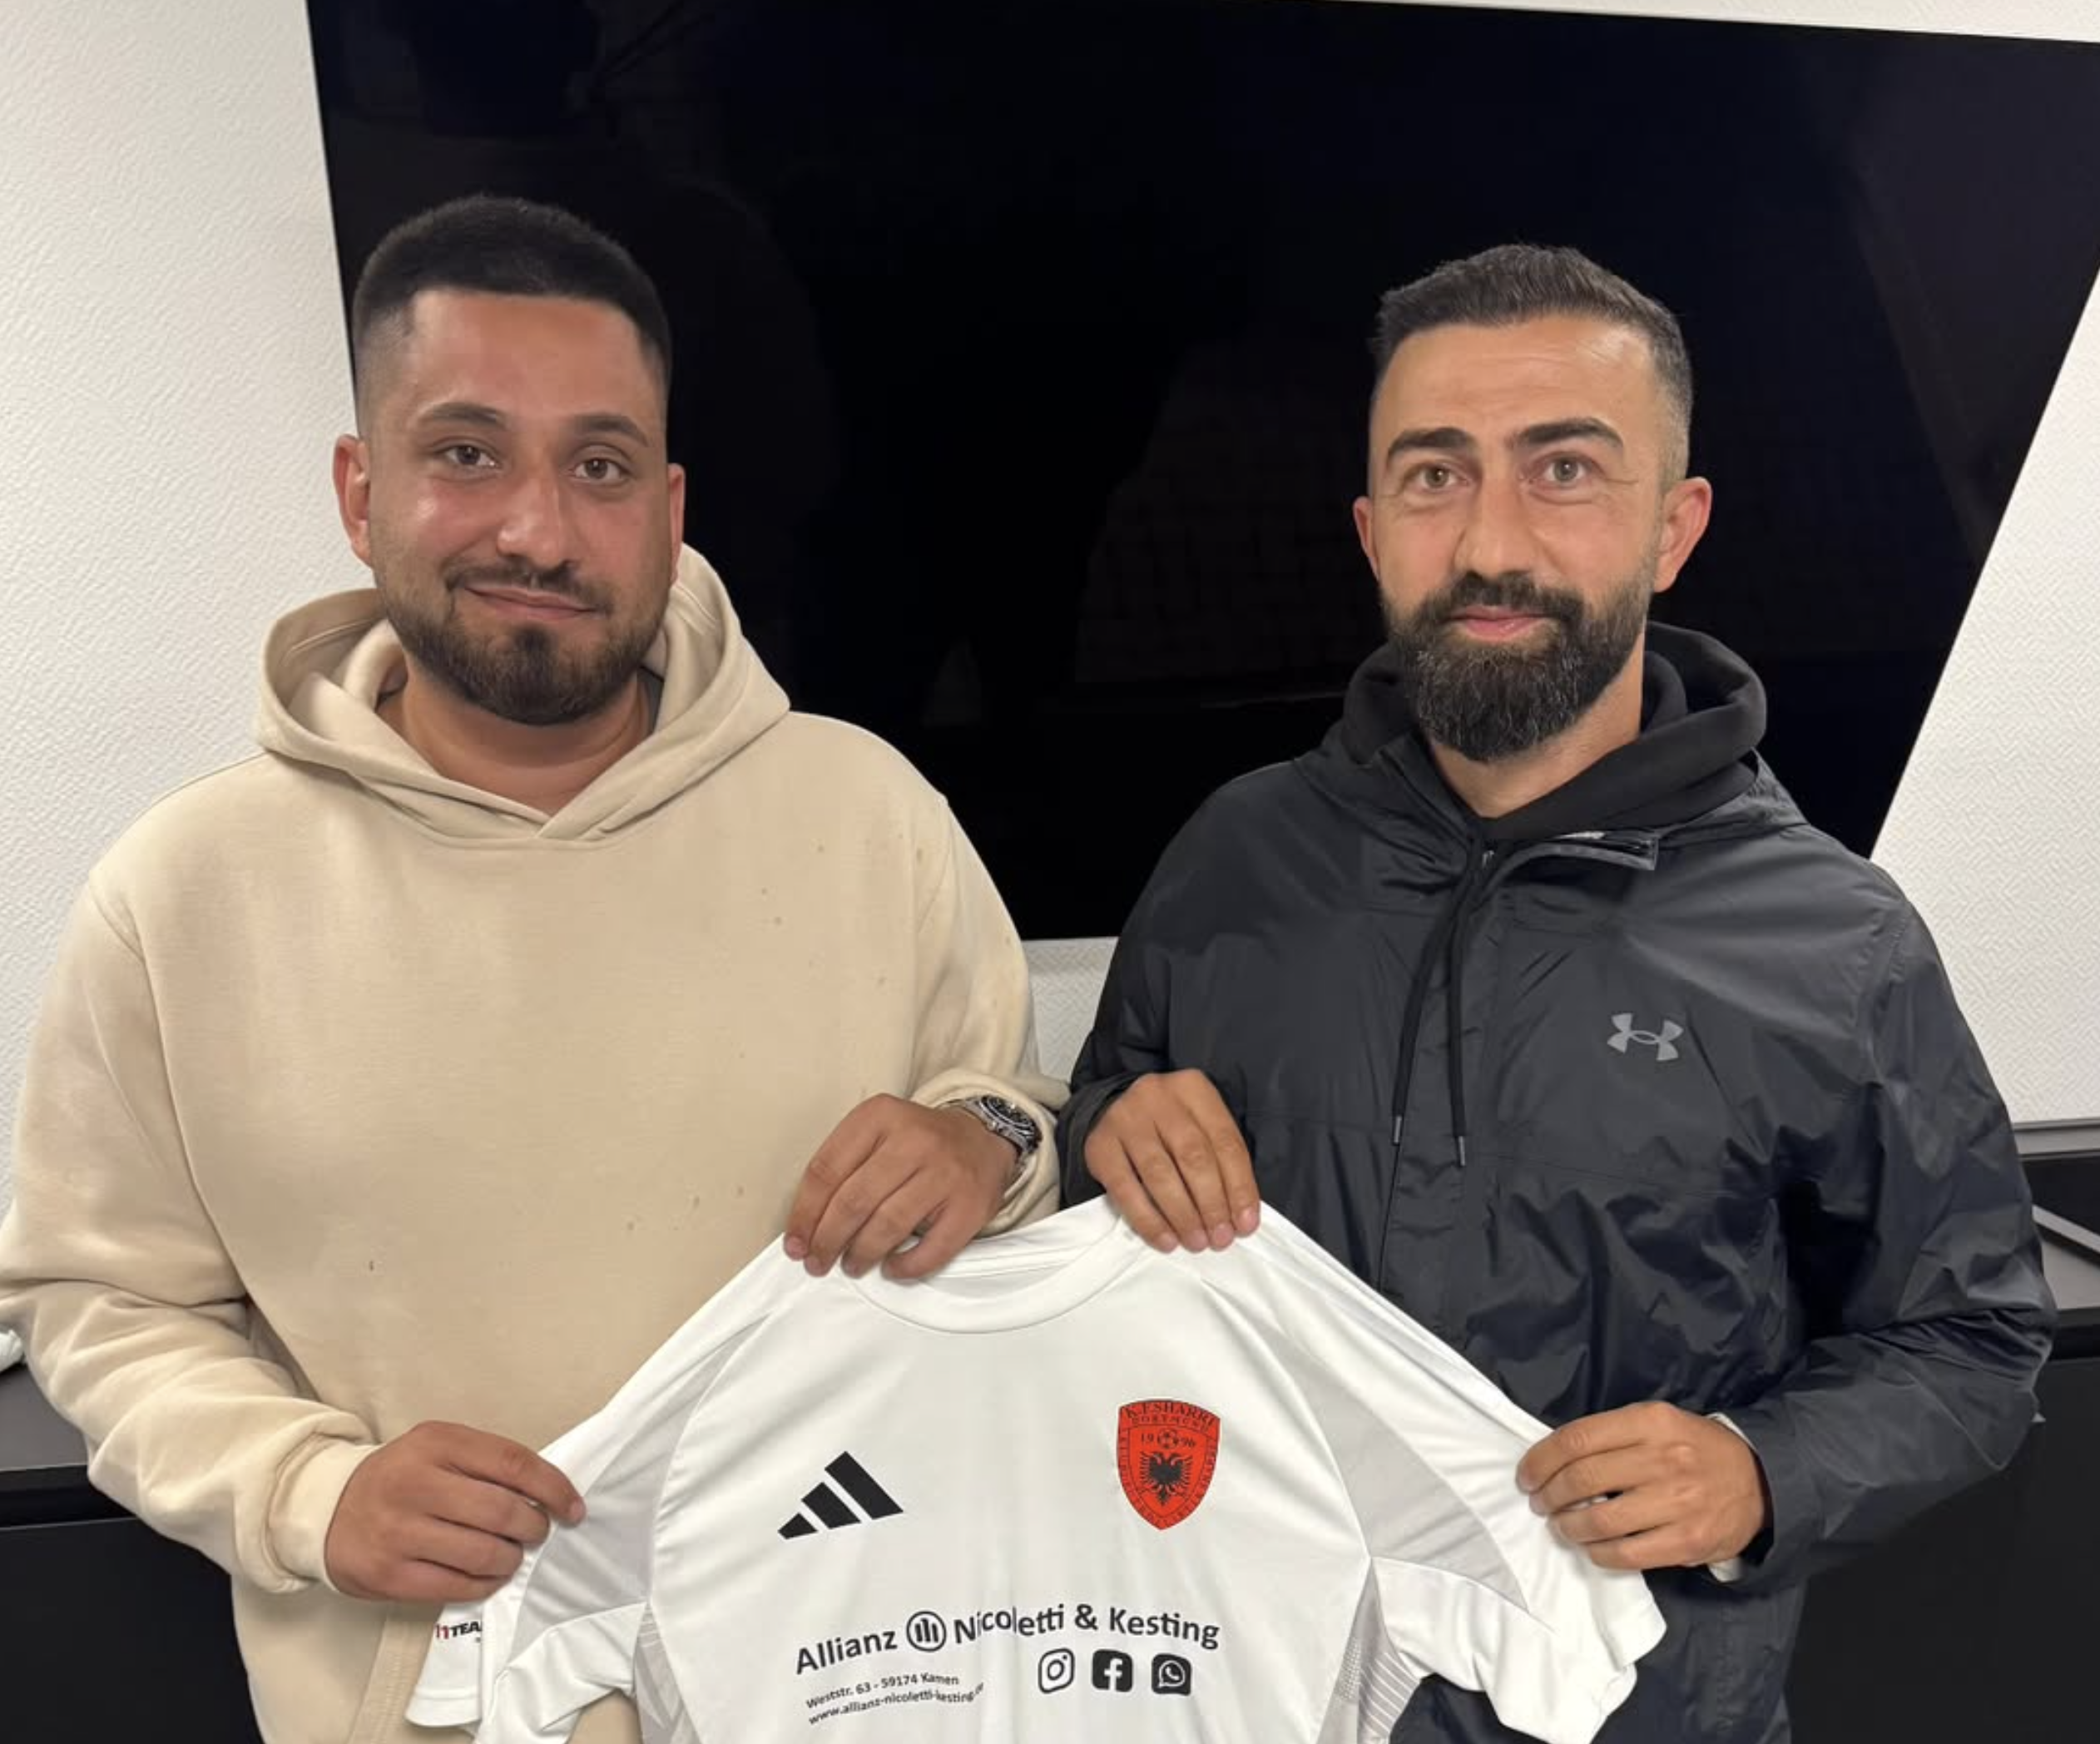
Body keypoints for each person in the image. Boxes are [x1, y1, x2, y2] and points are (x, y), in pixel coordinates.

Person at [0, 196, 1059, 1744]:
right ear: (361, 489)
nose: (541, 533)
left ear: (671, 509)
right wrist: (308, 1492)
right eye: (467, 452)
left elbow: (1012, 1111)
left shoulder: (870, 814)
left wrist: (988, 1140)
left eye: (601, 466)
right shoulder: (180, 897)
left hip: (868, 1685)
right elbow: (100, 1298)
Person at [1057, 244, 2052, 1743]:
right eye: (1434, 476)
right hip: (1243, 1691)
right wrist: (1106, 1127)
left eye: (1565, 469)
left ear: (1675, 527)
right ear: (1371, 530)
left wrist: (1762, 1473)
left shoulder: (1833, 940)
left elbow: (1971, 1340)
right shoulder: (1234, 861)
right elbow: (1110, 1154)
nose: (1490, 541)